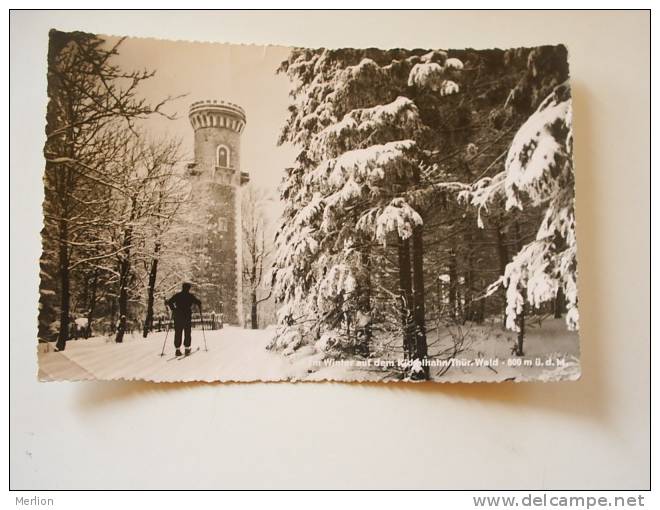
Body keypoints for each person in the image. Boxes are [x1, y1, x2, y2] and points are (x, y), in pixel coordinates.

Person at [166, 282, 202, 356]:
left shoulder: (178, 295)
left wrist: (174, 309)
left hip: (178, 315)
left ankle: (177, 349)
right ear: (188, 288)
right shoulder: (190, 296)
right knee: (187, 332)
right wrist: (199, 304)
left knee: (178, 332)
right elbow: (198, 302)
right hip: (187, 316)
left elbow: (169, 302)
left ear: (182, 287)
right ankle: (187, 348)